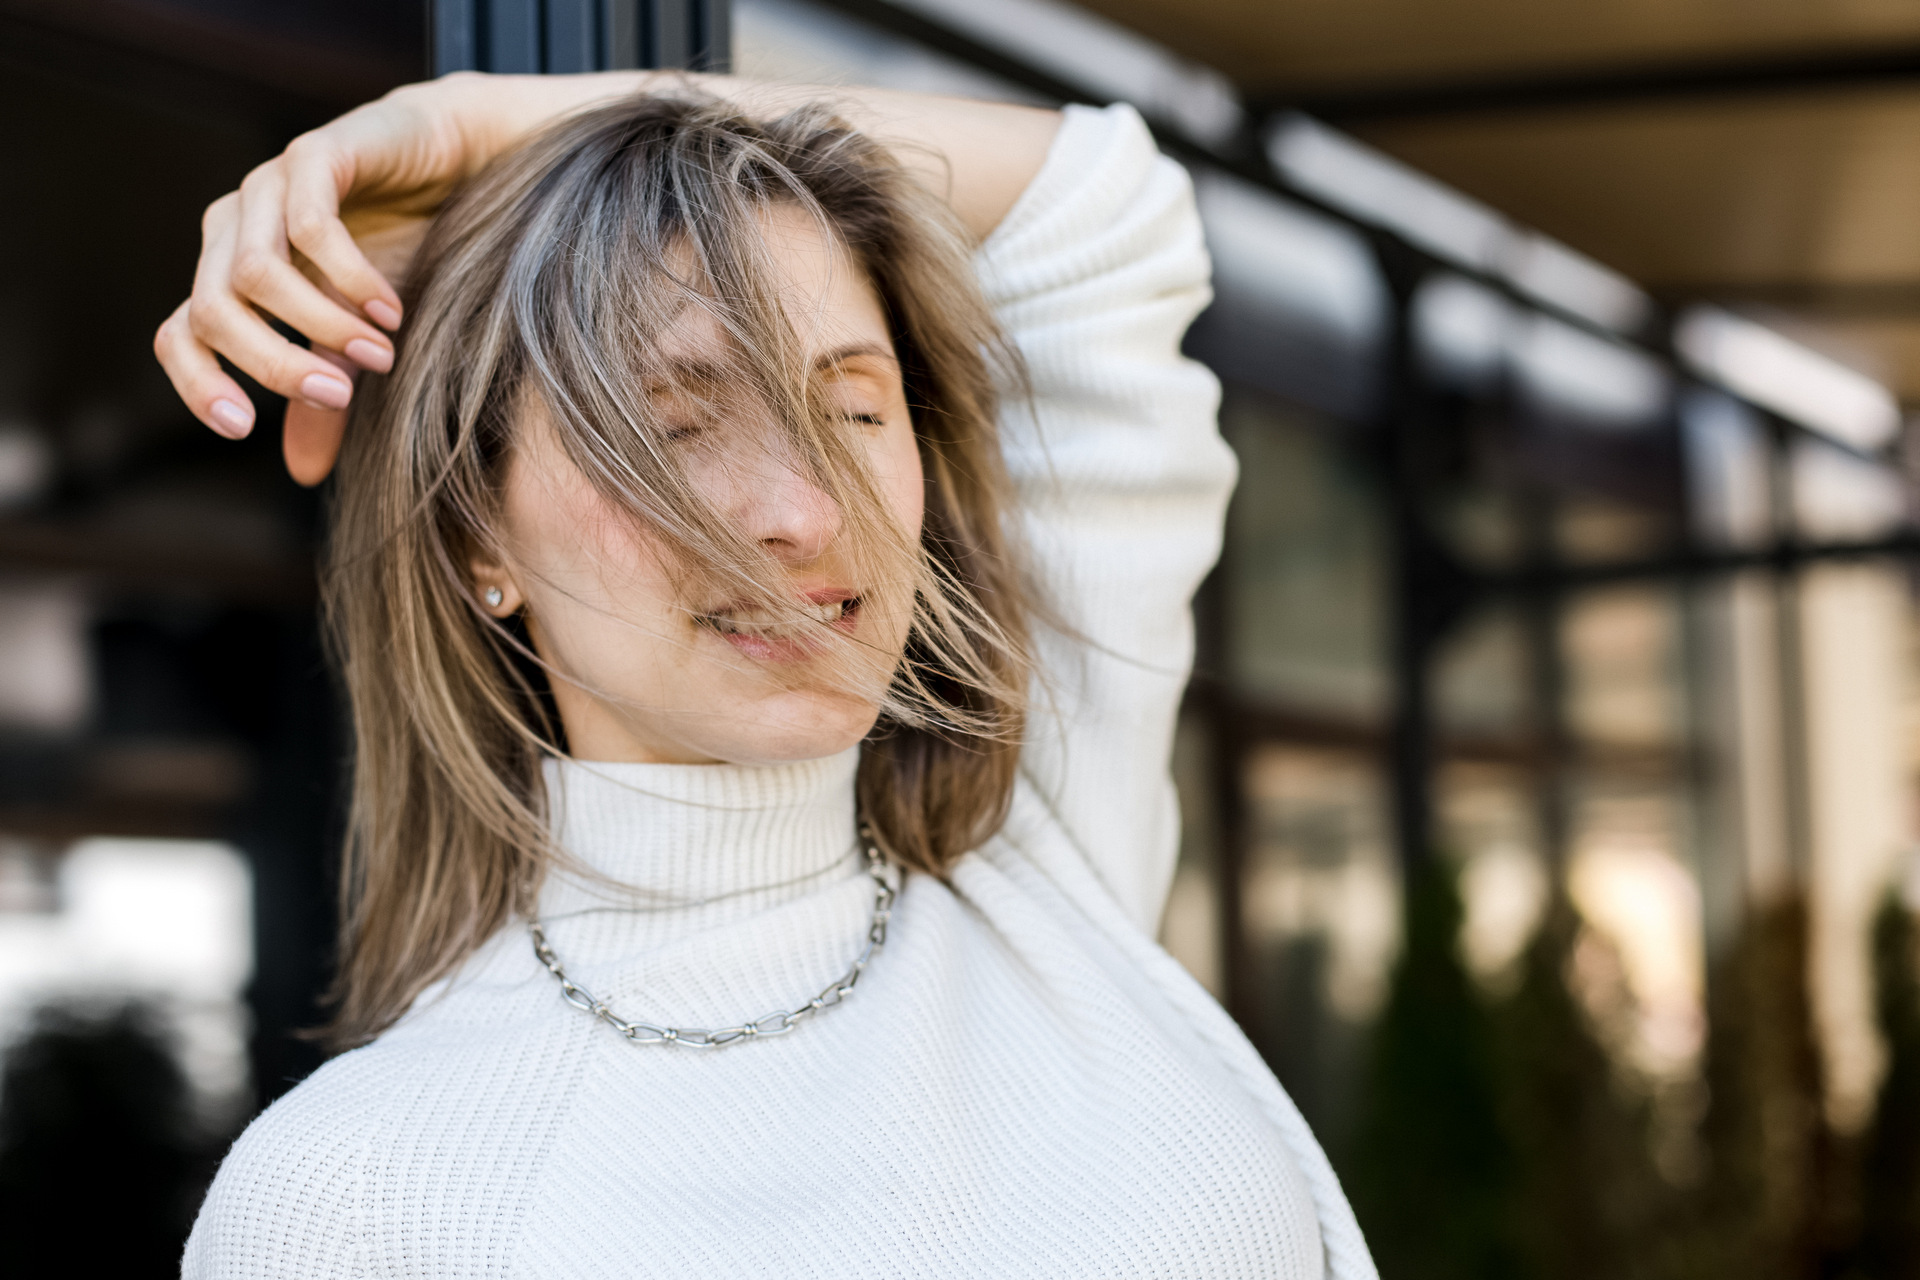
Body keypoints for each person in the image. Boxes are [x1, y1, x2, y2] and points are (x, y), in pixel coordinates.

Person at [153, 70, 1376, 1278]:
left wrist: (482, 123)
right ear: (482, 536)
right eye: (677, 428)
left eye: (851, 411)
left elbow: (1100, 204)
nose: (802, 509)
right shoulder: (349, 1201)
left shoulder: (1033, 847)